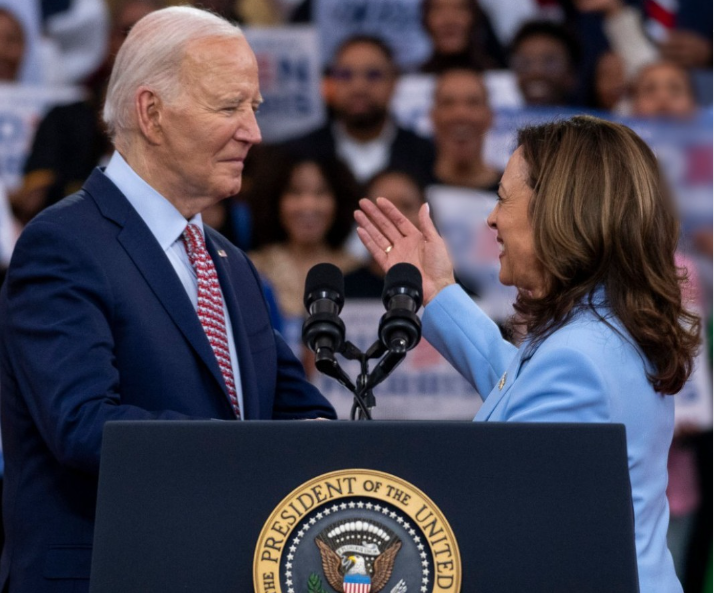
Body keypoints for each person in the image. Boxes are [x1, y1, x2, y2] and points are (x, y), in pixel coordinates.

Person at [0, 7, 335, 593]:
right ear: (151, 113)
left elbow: (294, 410)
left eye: (253, 108)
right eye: (229, 107)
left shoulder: (228, 261)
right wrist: (247, 459)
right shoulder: (63, 245)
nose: (253, 132)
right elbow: (83, 425)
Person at [355, 115, 700, 593]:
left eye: (502, 197)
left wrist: (353, 467)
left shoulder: (578, 356)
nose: (491, 218)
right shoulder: (601, 328)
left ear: (558, 210)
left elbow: (499, 519)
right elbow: (518, 387)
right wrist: (436, 292)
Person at [282, 35, 435, 188]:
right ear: (331, 82)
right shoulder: (297, 154)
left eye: (373, 75)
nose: (358, 87)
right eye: (345, 75)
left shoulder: (428, 155)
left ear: (394, 82)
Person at [248, 150, 360, 318]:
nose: (308, 206)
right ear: (274, 200)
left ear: (339, 200)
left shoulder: (355, 270)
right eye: (295, 192)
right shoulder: (252, 268)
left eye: (321, 192)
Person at [345, 169, 425, 299]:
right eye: (382, 209)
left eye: (406, 206)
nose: (396, 217)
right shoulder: (343, 291)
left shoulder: (447, 287)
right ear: (363, 217)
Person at [429, 66, 500, 191]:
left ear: (490, 116)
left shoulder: (516, 193)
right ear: (433, 116)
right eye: (448, 103)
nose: (461, 114)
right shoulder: (408, 188)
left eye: (473, 102)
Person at [419, 0, 505, 72]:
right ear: (425, 21)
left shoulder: (501, 75)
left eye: (460, 9)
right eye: (438, 9)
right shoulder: (413, 78)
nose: (449, 20)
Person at [509, 20, 581, 106]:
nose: (536, 72)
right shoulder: (496, 118)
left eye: (550, 63)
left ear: (571, 73)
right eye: (525, 63)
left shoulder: (595, 118)